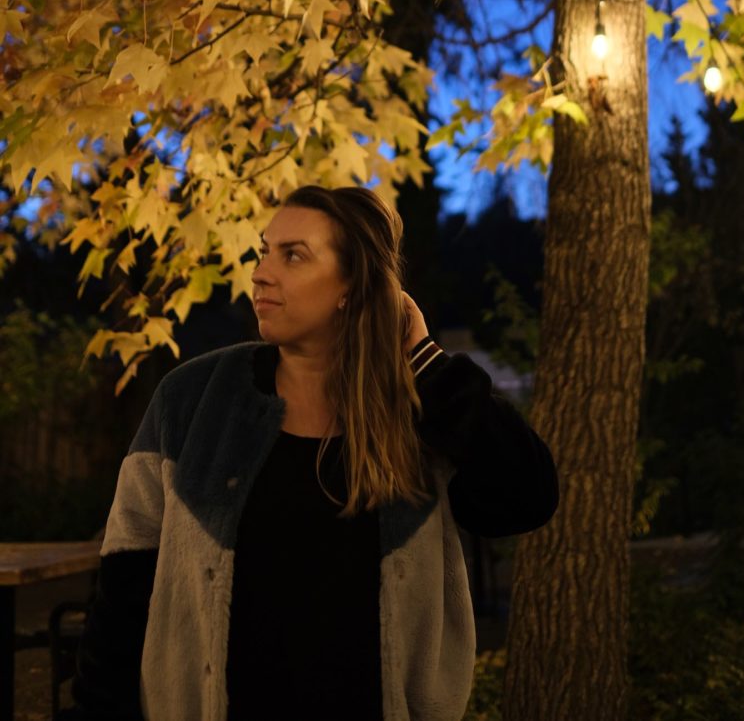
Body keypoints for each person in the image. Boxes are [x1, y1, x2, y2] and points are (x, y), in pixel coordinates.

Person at [62, 184, 559, 721]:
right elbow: (122, 591)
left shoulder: (420, 413)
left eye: (293, 255)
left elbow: (526, 498)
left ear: (352, 285)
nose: (260, 273)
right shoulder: (191, 401)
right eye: (263, 251)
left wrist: (422, 357)